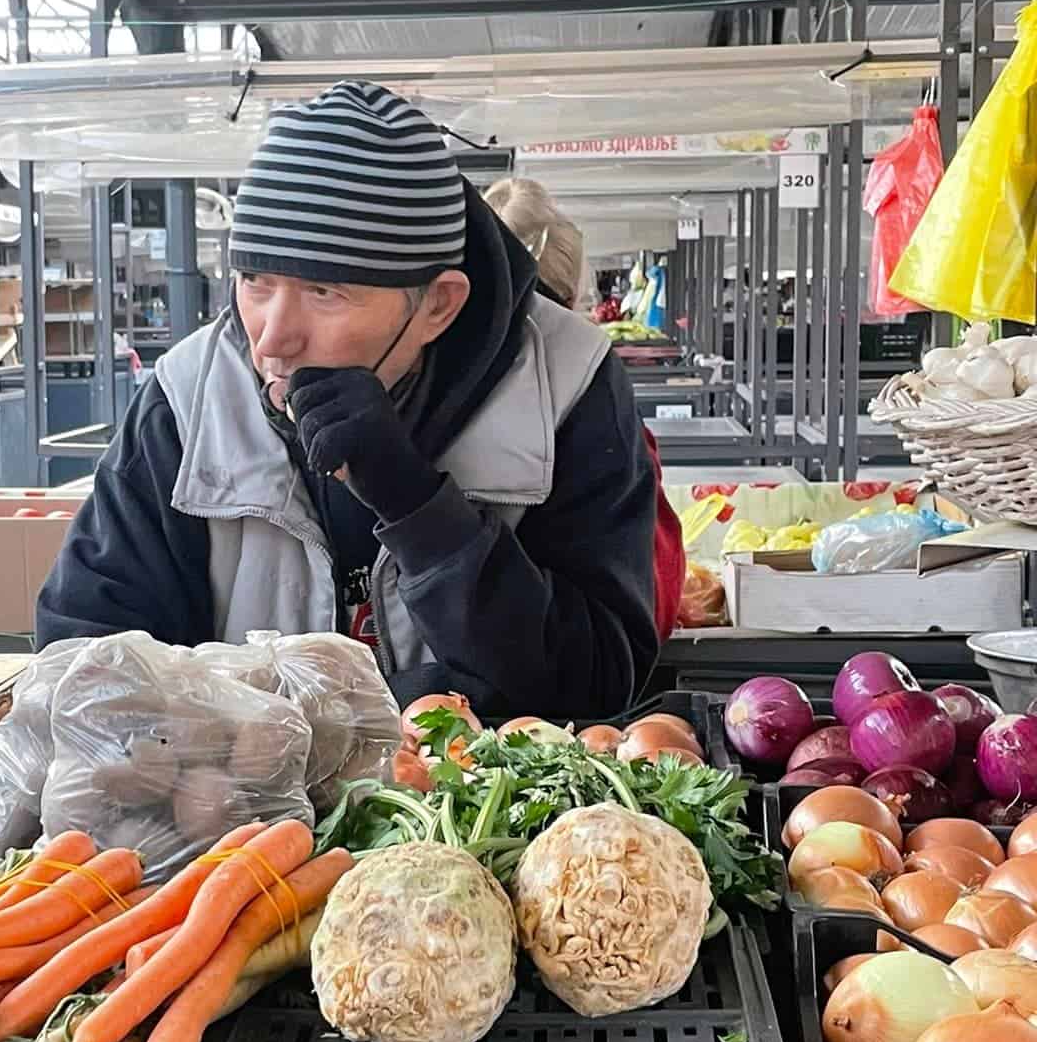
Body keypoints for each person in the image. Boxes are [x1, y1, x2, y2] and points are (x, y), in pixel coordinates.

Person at [37, 81, 659, 719]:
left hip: (491, 815)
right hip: (245, 814)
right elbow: (84, 662)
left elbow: (601, 687)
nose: (274, 338)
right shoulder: (186, 398)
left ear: (438, 305)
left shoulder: (567, 386)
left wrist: (420, 510)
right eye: (255, 280)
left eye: (325, 292)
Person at [484, 176, 686, 642]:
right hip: (573, 665)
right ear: (574, 293)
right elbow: (652, 583)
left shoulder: (425, 393)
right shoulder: (592, 392)